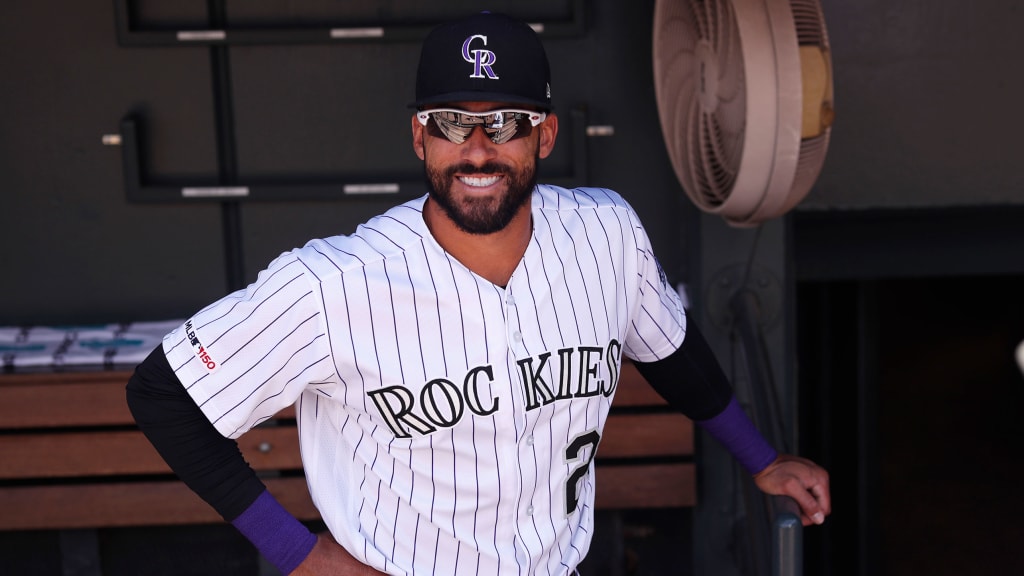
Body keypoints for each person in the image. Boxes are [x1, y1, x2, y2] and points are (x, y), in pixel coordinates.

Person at [126, 11, 830, 576]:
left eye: (505, 123)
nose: (477, 149)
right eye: (451, 123)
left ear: (545, 135)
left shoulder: (607, 235)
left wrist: (763, 460)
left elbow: (671, 350)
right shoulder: (332, 283)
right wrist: (300, 555)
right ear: (420, 138)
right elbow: (164, 394)